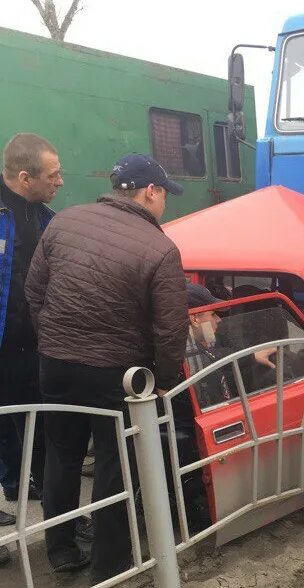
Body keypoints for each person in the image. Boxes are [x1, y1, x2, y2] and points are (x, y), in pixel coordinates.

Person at [24, 153, 189, 580]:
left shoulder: (64, 221)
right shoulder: (160, 248)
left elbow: (35, 290)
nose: (165, 203)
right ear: (149, 191)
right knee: (117, 464)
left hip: (56, 365)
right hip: (115, 374)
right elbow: (171, 331)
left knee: (60, 455)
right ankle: (109, 564)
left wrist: (52, 343)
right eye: (164, 194)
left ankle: (59, 549)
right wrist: (162, 383)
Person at [0, 133, 63, 565]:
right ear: (26, 177)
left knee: (37, 416)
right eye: (53, 175)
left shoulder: (46, 218)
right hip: (3, 343)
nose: (60, 181)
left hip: (35, 343)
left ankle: (33, 485)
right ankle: (9, 481)